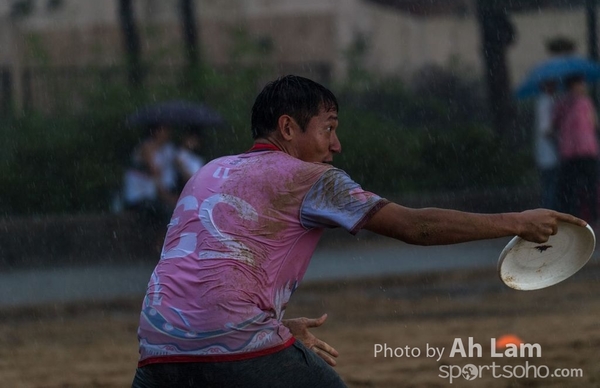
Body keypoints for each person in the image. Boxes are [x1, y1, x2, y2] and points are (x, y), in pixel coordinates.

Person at [131, 75, 585, 388]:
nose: (336, 144)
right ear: (288, 128)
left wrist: (273, 328)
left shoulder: (209, 170)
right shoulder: (308, 177)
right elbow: (416, 226)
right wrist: (518, 222)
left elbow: (198, 278)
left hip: (157, 348)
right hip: (235, 345)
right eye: (328, 129)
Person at [552, 74, 600, 225]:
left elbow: (555, 125)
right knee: (588, 184)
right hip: (584, 150)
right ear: (574, 85)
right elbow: (594, 123)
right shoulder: (584, 102)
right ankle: (592, 216)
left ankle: (576, 216)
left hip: (571, 151)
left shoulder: (561, 103)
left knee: (572, 186)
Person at [122, 123, 179, 225]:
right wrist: (169, 198)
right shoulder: (146, 147)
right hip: (138, 197)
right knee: (166, 212)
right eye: (165, 130)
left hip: (151, 197)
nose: (168, 134)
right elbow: (155, 175)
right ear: (156, 131)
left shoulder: (166, 149)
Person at [534, 79, 559, 209]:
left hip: (548, 154)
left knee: (550, 187)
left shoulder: (547, 101)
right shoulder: (545, 102)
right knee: (550, 188)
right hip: (548, 154)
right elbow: (545, 129)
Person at [175, 127, 206, 191]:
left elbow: (197, 179)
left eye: (195, 140)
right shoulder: (176, 153)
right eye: (191, 139)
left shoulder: (197, 159)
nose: (192, 142)